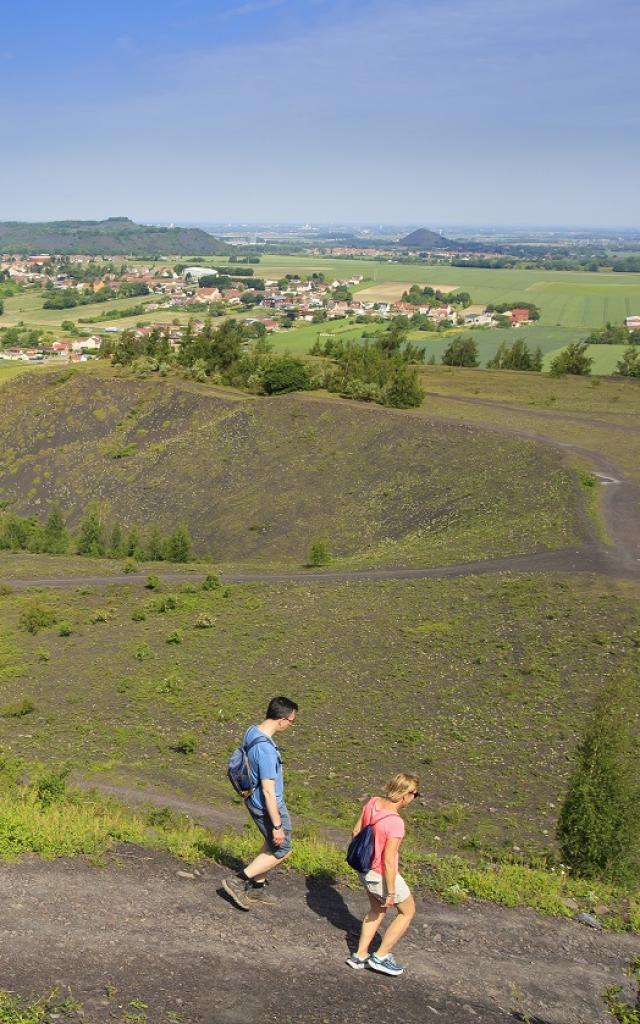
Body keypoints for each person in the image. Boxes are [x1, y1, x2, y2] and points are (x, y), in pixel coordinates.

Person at [223, 696, 298, 910]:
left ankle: (258, 887)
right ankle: (238, 880)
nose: (290, 726)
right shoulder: (265, 750)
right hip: (267, 805)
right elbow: (268, 790)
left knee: (271, 842)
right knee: (283, 848)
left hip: (252, 796)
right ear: (282, 719)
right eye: (291, 721)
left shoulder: (252, 731)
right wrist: (276, 825)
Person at [346, 772, 419, 976]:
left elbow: (355, 832)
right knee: (407, 911)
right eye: (415, 794)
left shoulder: (373, 802)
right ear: (405, 794)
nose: (414, 798)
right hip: (380, 874)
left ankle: (359, 956)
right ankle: (381, 956)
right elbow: (388, 861)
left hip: (365, 869)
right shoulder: (395, 823)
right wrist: (391, 892)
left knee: (376, 910)